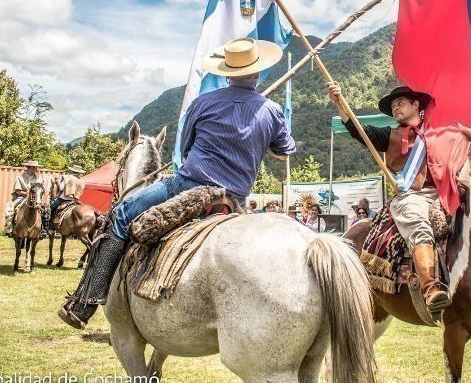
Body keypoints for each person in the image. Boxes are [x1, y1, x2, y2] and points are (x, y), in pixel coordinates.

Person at [59, 37, 295, 330]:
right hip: (235, 199)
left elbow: (185, 149)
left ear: (226, 73)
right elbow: (282, 151)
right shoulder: (272, 111)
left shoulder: (203, 102)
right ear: (258, 73)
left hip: (188, 186)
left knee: (120, 215)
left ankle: (85, 303)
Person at [327, 81, 450, 316]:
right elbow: (359, 131)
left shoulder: (438, 133)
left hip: (444, 193)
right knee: (418, 225)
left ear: (417, 105)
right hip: (411, 196)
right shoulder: (390, 135)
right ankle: (430, 288)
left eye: (400, 103)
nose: (396, 108)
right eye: (393, 106)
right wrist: (339, 103)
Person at [3, 161, 46, 237]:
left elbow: (40, 189)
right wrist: (26, 193)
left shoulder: (38, 177)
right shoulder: (20, 177)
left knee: (44, 210)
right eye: (36, 168)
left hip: (36, 197)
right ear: (31, 167)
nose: (37, 169)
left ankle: (42, 229)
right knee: (10, 208)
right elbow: (17, 190)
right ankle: (8, 227)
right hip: (22, 196)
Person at [49, 165, 86, 232]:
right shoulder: (82, 181)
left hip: (63, 199)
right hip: (74, 201)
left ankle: (49, 225)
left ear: (71, 171)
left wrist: (57, 183)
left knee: (51, 207)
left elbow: (61, 188)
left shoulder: (67, 177)